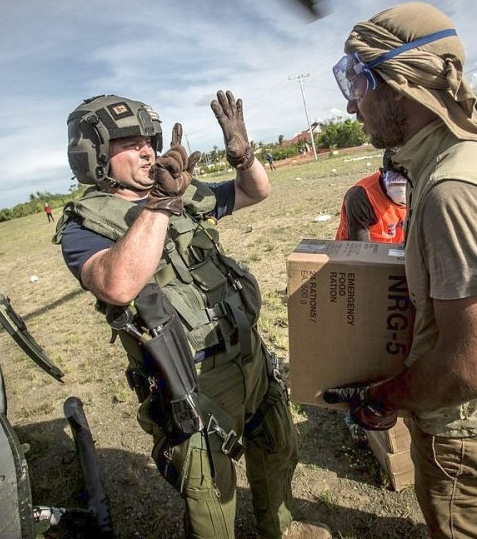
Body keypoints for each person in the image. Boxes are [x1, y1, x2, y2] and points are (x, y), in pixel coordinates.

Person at [324, 2, 477, 539]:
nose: (354, 107)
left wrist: (384, 398)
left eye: (359, 84)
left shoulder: (454, 189)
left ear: (398, 84)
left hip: (468, 423)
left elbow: (469, 368)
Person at [54, 92, 330, 539]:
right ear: (94, 154)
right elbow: (116, 283)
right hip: (192, 381)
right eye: (130, 142)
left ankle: (282, 529)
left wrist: (245, 157)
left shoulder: (180, 189)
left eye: (149, 139)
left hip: (248, 352)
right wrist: (160, 203)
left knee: (278, 449)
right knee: (211, 501)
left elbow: (255, 191)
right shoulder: (84, 224)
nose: (147, 149)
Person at [334, 148, 406, 242]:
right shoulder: (361, 197)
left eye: (406, 181)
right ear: (382, 173)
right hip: (365, 251)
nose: (402, 190)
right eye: (395, 183)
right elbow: (360, 249)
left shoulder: (421, 186)